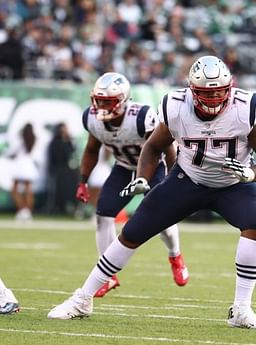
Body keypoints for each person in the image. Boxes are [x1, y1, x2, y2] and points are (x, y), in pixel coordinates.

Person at [48, 56, 256, 329]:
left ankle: (242, 309)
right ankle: (83, 298)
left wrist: (251, 174)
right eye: (207, 93)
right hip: (188, 179)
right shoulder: (175, 106)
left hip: (234, 182)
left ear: (230, 87)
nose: (214, 97)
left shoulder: (246, 107)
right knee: (133, 232)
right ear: (193, 91)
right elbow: (152, 147)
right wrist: (143, 178)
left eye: (220, 91)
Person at [73, 72, 189, 298]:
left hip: (155, 167)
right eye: (99, 100)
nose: (103, 106)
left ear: (124, 100)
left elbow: (165, 146)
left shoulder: (141, 116)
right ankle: (107, 276)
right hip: (125, 167)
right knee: (103, 212)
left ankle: (175, 255)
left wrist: (173, 174)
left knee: (161, 217)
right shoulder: (92, 118)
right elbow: (90, 150)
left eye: (109, 101)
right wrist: (83, 181)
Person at [46, 122, 78, 215]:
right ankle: (58, 208)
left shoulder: (69, 141)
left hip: (68, 171)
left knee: (70, 189)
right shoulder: (54, 142)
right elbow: (56, 156)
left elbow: (72, 151)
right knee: (58, 191)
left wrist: (68, 139)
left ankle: (70, 207)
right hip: (58, 169)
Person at [9, 123, 38, 222]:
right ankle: (27, 211)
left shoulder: (20, 140)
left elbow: (12, 152)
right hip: (29, 165)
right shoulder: (34, 139)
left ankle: (22, 210)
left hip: (20, 165)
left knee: (14, 189)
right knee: (28, 190)